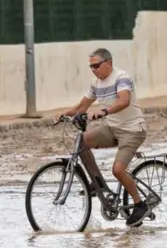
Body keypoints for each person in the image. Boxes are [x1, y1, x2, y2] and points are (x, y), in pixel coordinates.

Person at [58, 48, 150, 227]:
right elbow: (82, 106)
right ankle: (97, 183)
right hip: (112, 127)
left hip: (133, 130)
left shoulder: (122, 77)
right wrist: (63, 114)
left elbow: (124, 101)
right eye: (91, 67)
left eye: (96, 66)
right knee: (82, 141)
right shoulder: (96, 83)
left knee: (117, 170)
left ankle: (140, 205)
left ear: (108, 63)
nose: (93, 70)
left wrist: (103, 112)